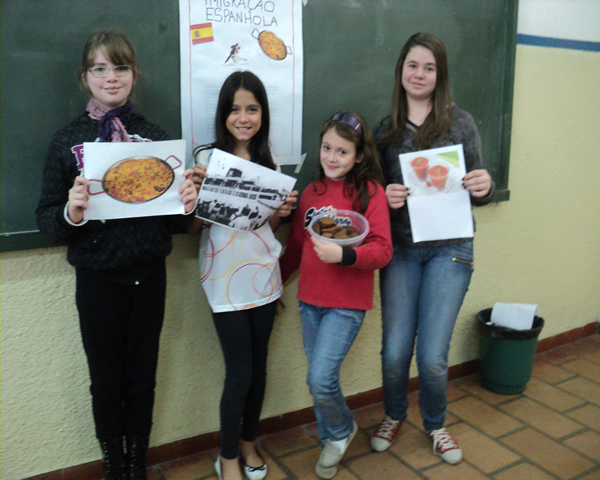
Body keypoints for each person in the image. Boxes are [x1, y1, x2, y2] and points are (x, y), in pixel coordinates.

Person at [35, 29, 198, 480]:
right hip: (97, 280)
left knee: (142, 377)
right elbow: (47, 218)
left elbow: (174, 222)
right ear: (84, 77)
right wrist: (71, 212)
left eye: (120, 67)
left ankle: (137, 461)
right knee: (106, 379)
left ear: (134, 74)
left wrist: (187, 203)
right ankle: (113, 463)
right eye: (100, 68)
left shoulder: (155, 140)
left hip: (150, 275)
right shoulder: (67, 141)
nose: (111, 77)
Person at [370, 32, 495, 465]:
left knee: (432, 357)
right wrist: (384, 196)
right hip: (402, 251)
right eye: (413, 65)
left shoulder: (461, 123)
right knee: (394, 353)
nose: (419, 74)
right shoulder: (384, 130)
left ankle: (436, 424)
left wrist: (485, 185)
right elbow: (370, 196)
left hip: (450, 251)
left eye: (429, 67)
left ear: (440, 75)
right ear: (401, 70)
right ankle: (393, 415)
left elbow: (479, 188)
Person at [188, 71, 297, 480]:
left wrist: (282, 212)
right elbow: (192, 229)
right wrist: (201, 199)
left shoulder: (270, 164)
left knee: (259, 369)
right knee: (239, 374)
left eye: (252, 109)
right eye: (235, 109)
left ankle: (250, 442)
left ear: (263, 114)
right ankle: (228, 455)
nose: (243, 117)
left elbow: (271, 227)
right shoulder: (206, 160)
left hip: (263, 277)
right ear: (223, 114)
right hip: (224, 281)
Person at [279, 111, 393, 479]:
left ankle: (342, 429)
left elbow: (382, 251)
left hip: (346, 304)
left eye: (342, 151)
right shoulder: (311, 193)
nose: (331, 157)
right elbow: (296, 248)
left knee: (320, 378)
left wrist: (344, 255)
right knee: (318, 378)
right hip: (309, 301)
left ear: (358, 156)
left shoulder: (370, 193)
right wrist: (275, 284)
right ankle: (332, 438)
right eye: (327, 148)